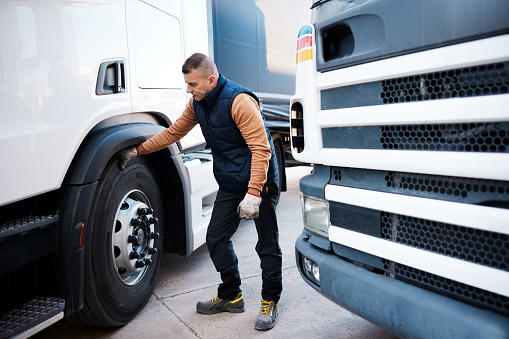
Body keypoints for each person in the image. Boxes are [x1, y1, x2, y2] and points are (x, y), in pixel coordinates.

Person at [118, 53, 282, 330]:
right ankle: (232, 295)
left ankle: (270, 300)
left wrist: (254, 193)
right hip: (231, 181)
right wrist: (137, 151)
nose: (188, 89)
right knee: (216, 237)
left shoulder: (239, 101)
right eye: (186, 83)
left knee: (266, 243)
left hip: (260, 181)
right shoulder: (198, 104)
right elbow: (172, 134)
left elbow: (261, 148)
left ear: (211, 79)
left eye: (192, 83)